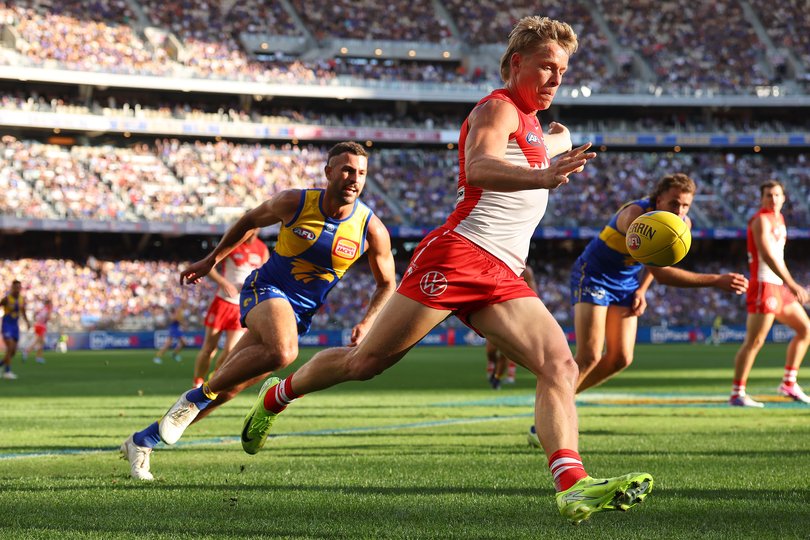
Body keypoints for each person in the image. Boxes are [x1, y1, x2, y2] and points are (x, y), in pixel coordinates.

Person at [238, 17, 651, 525]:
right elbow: (477, 166)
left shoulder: (535, 127)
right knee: (364, 363)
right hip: (458, 253)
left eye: (562, 70)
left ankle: (573, 486)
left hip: (503, 271)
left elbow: (549, 141)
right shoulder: (497, 108)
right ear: (515, 63)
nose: (556, 78)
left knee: (561, 366)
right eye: (546, 66)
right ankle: (277, 394)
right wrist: (542, 172)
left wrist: (556, 146)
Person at [120, 141, 397, 481]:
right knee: (284, 352)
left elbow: (387, 283)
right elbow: (250, 221)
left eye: (361, 173)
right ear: (328, 172)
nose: (354, 178)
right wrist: (212, 260)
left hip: (299, 314)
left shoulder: (371, 229)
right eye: (346, 169)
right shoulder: (294, 202)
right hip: (264, 290)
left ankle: (142, 441)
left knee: (229, 389)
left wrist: (368, 321)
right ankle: (194, 397)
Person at [570, 173, 748, 394]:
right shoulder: (636, 217)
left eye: (686, 205)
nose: (680, 211)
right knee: (590, 356)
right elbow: (662, 272)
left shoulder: (682, 224)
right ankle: (556, 404)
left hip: (626, 282)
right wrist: (716, 280)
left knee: (621, 359)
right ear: (658, 199)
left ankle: (563, 397)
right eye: (674, 203)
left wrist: (642, 290)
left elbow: (658, 259)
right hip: (594, 275)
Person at [729, 180, 810, 407]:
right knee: (754, 341)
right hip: (764, 285)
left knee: (805, 329)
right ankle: (737, 393)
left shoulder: (779, 219)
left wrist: (787, 285)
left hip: (778, 286)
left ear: (784, 197)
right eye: (768, 195)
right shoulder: (760, 220)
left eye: (777, 195)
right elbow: (768, 255)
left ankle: (789, 383)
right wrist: (792, 284)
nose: (773, 199)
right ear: (761, 198)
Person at [192, 229, 269, 388]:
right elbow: (209, 265)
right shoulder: (232, 244)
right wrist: (223, 283)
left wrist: (254, 284)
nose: (253, 230)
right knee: (209, 348)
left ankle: (212, 382)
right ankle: (197, 382)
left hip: (242, 306)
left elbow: (265, 273)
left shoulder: (262, 249)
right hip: (222, 302)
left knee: (231, 351)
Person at [486, 266, 536, 389]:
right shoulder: (497, 265)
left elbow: (533, 293)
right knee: (491, 351)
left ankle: (496, 378)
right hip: (496, 312)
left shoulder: (526, 272)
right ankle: (494, 367)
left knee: (505, 351)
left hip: (515, 314)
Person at [1, 279, 29, 380]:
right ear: (12, 288)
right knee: (10, 347)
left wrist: (27, 322)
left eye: (19, 287)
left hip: (15, 326)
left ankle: (1, 365)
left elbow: (23, 311)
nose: (17, 289)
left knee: (13, 351)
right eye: (16, 287)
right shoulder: (7, 299)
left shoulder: (21, 299)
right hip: (7, 325)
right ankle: (7, 372)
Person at [24, 298, 53, 364]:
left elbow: (36, 316)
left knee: (38, 341)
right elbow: (48, 318)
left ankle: (31, 353)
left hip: (37, 325)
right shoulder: (47, 310)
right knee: (41, 342)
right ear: (48, 304)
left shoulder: (42, 309)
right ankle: (34, 354)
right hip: (41, 326)